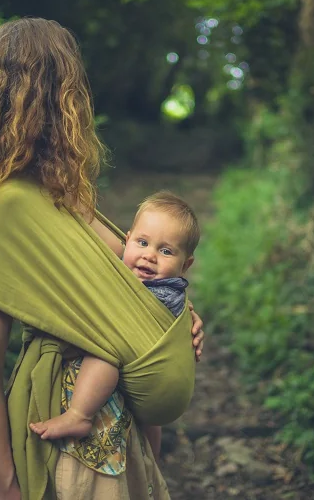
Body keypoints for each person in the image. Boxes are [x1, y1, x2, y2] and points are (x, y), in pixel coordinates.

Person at [0, 18, 204, 500]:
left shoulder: (63, 191)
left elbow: (122, 279)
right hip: (62, 434)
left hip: (116, 430)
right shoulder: (8, 206)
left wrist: (174, 318)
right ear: (63, 95)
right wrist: (9, 487)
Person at [29, 191, 200, 458]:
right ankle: (151, 464)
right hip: (153, 391)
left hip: (156, 378)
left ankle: (79, 415)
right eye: (142, 243)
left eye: (165, 251)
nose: (149, 256)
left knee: (106, 353)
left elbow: (108, 316)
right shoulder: (144, 279)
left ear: (185, 265)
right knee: (146, 423)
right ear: (127, 239)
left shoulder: (159, 293)